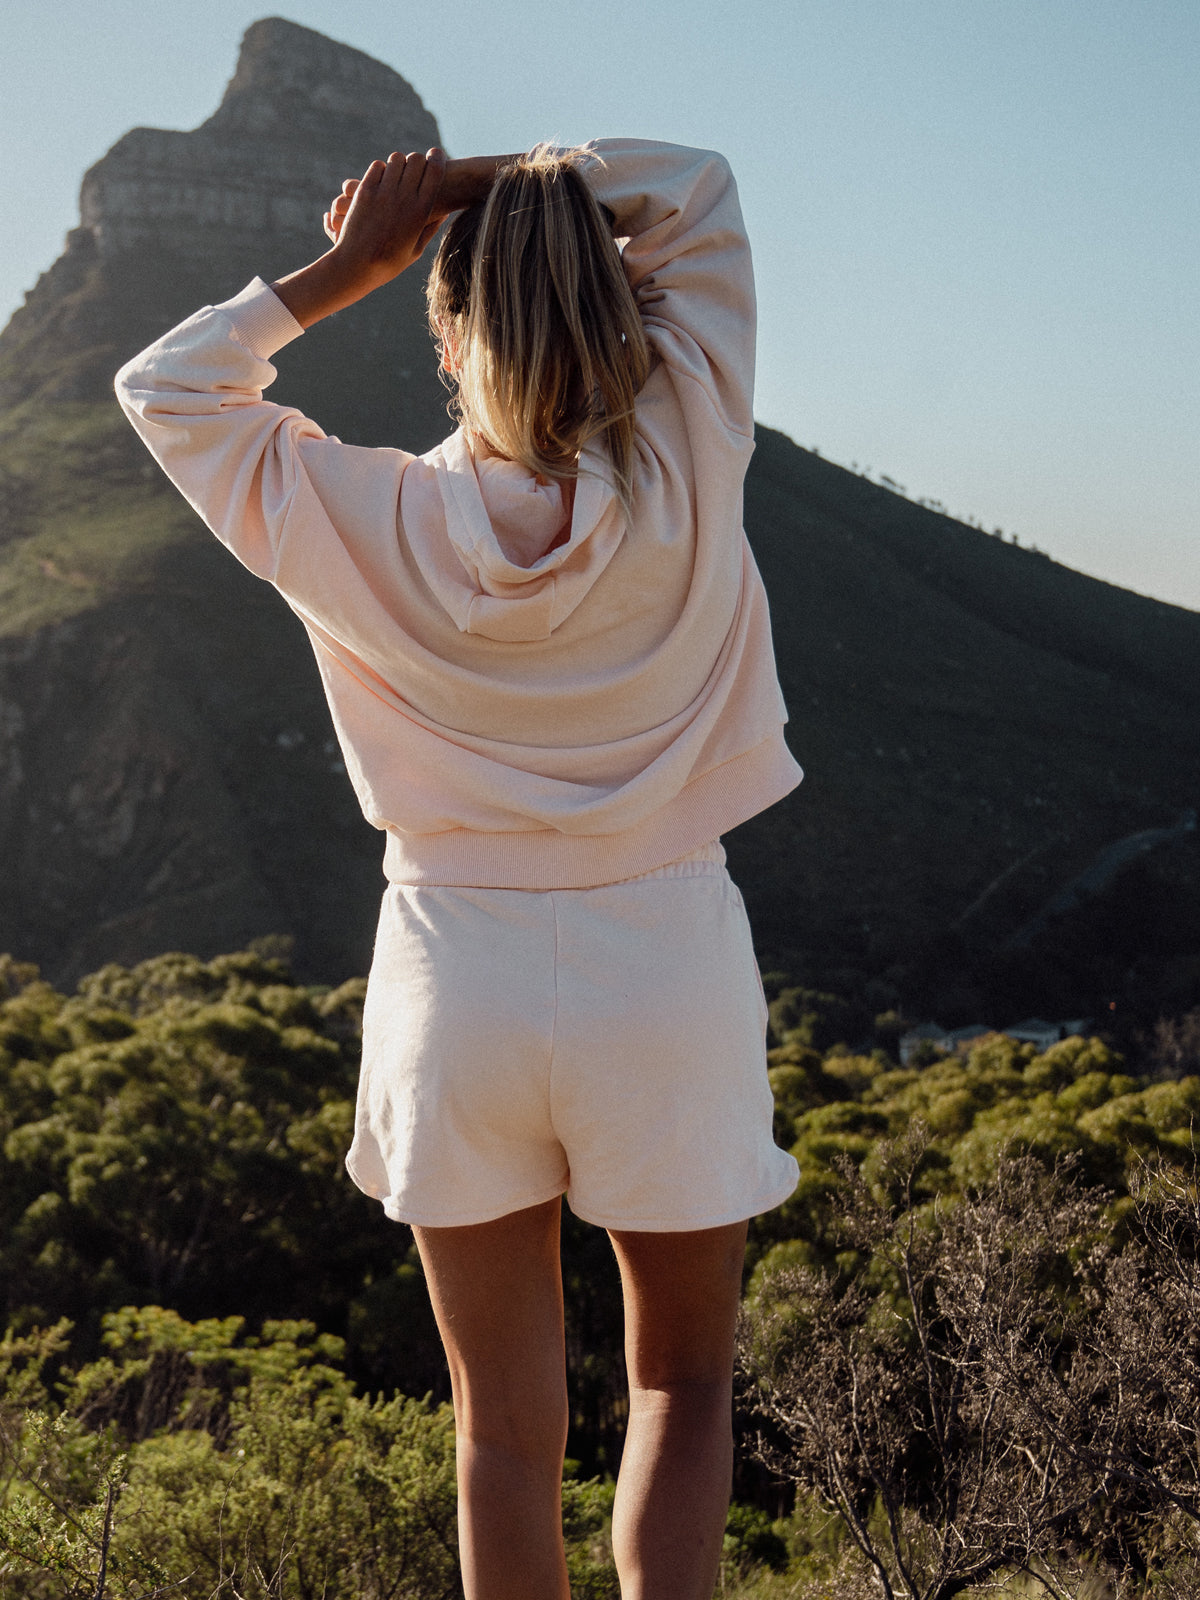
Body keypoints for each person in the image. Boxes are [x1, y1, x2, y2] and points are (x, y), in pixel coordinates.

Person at [116, 137, 802, 1600]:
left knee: (501, 1431)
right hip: (665, 957)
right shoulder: (693, 433)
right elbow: (696, 187)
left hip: (455, 980)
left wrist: (358, 255)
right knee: (680, 1387)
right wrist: (496, 176)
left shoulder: (362, 517)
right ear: (623, 317)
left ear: (446, 327)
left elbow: (167, 388)